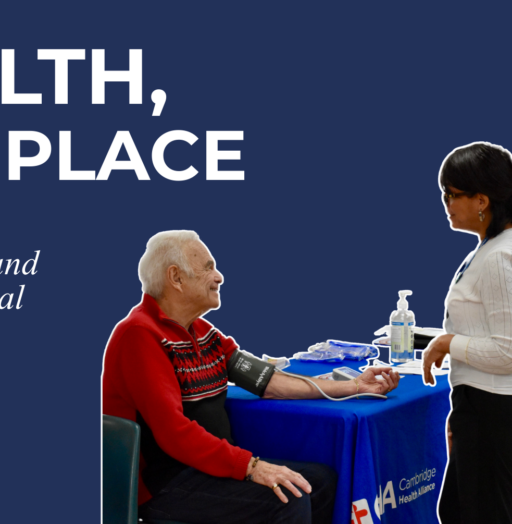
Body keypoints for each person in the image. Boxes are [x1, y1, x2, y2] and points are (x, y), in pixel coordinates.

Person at [102, 230, 400, 524]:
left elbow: (270, 382)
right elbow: (174, 433)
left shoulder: (205, 335)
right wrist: (250, 466)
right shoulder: (139, 335)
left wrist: (356, 385)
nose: (218, 277)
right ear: (176, 278)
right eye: (208, 268)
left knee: (320, 482)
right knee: (288, 498)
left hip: (205, 470)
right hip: (166, 484)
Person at [421, 142, 512, 523]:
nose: (446, 202)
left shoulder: (499, 257)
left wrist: (446, 343)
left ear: (482, 199)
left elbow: (507, 354)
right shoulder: (487, 248)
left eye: (452, 194)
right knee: (457, 508)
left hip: (495, 410)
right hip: (478, 407)